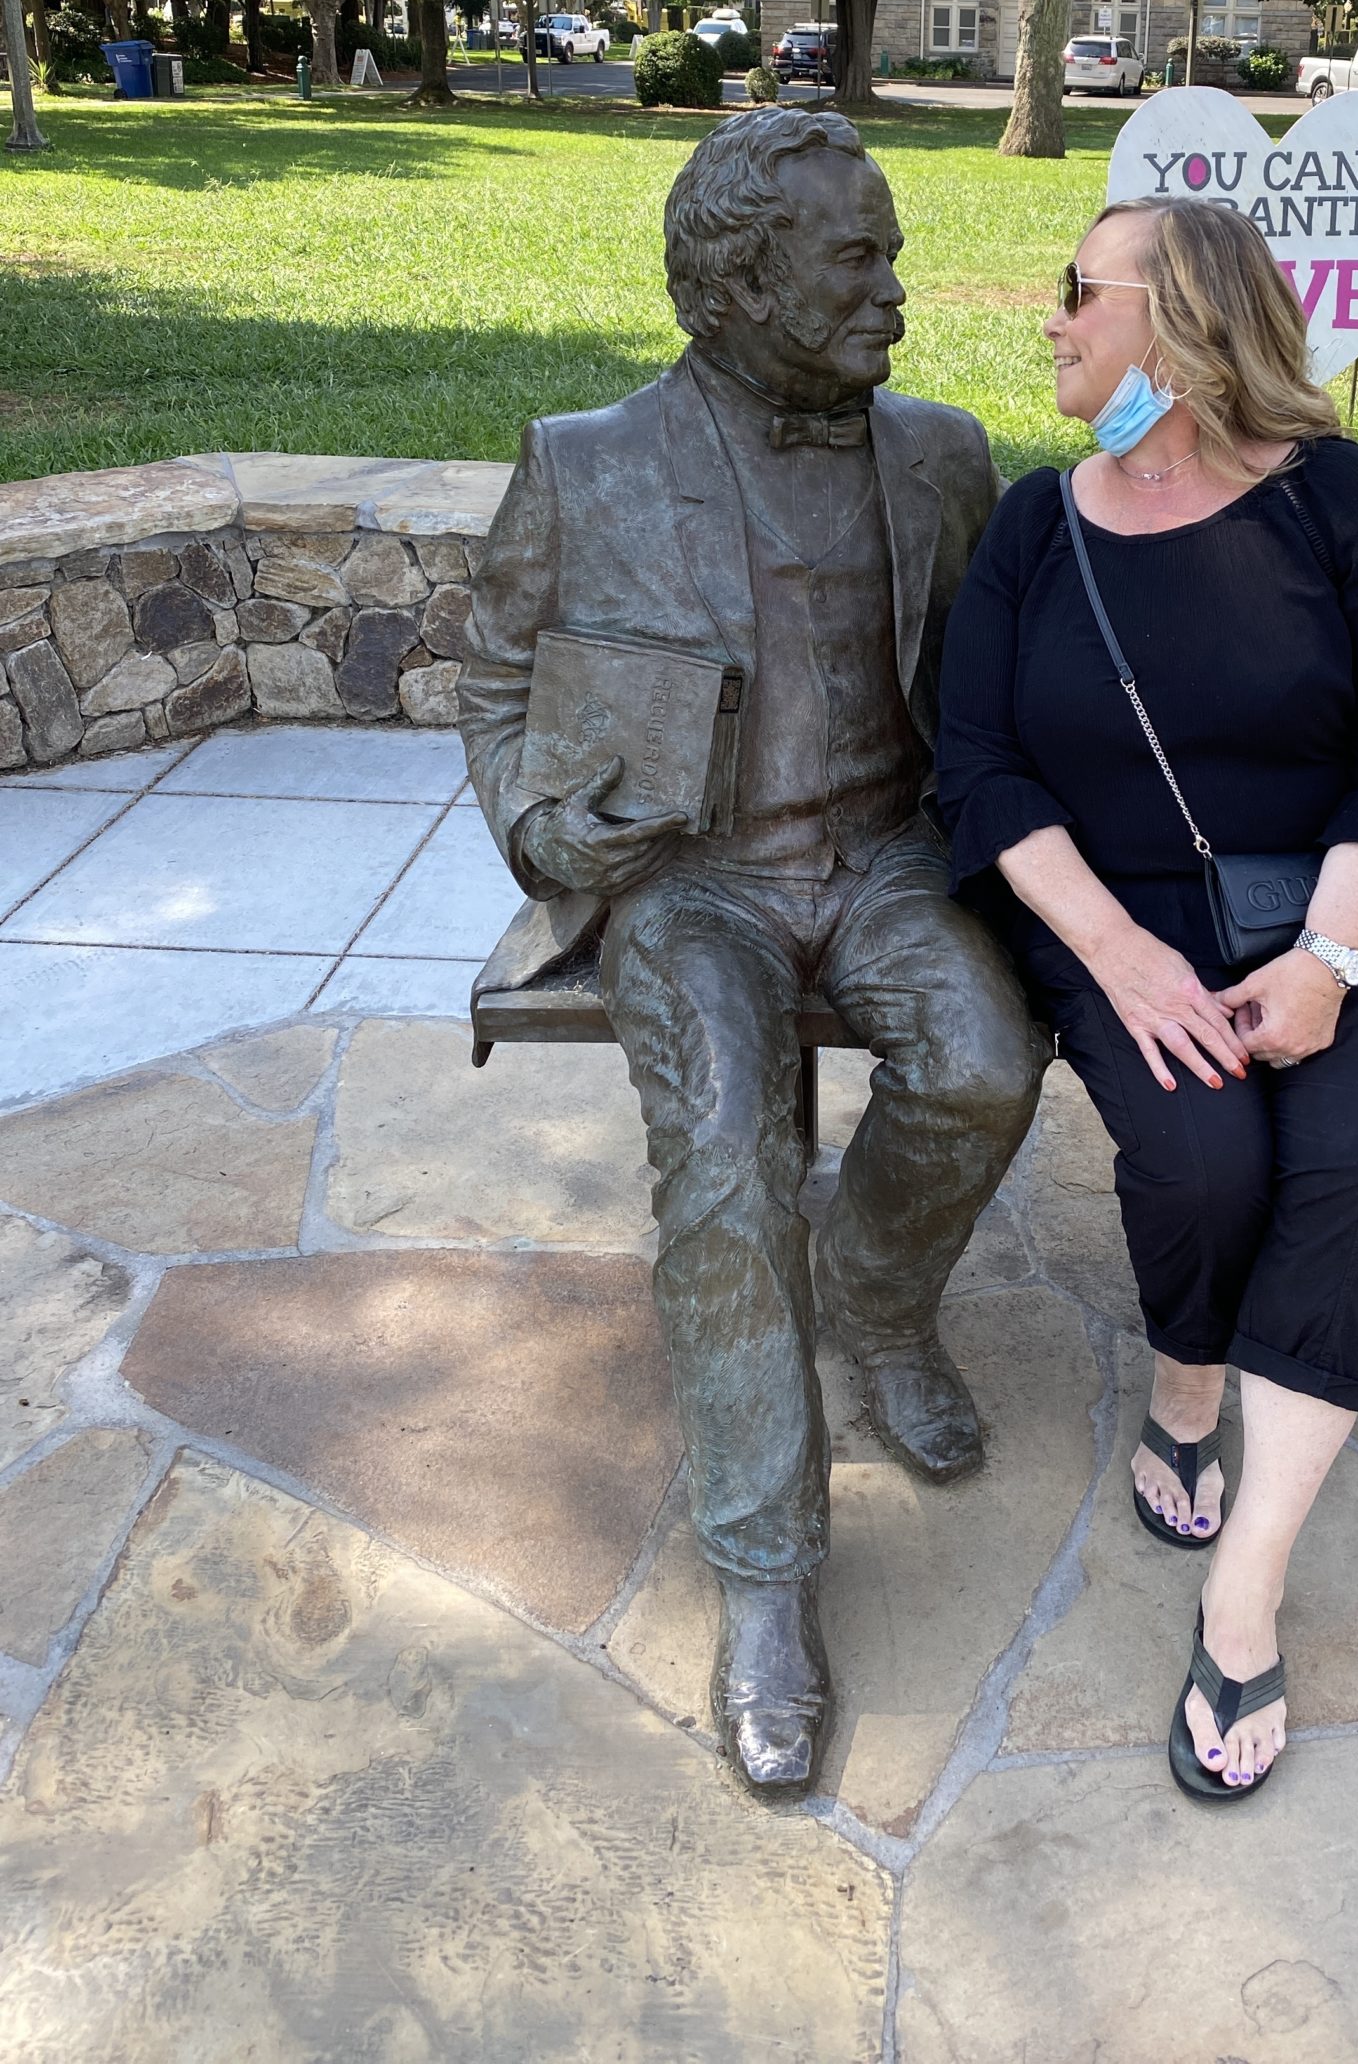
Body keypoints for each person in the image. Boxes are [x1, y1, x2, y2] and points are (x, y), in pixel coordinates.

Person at [461, 110, 1047, 1793]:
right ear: (737, 281)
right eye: (856, 261)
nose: (895, 292)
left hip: (886, 859)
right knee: (725, 1156)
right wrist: (539, 825)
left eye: (892, 253)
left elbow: (984, 688)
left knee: (986, 1064)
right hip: (691, 878)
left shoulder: (941, 455)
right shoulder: (587, 461)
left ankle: (872, 1297)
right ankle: (767, 1580)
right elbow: (493, 677)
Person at [937, 196, 1358, 1804]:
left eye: (1076, 290)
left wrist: (1329, 963)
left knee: (1347, 1177)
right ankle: (1186, 1377)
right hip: (1125, 929)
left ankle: (1247, 1591)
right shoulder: (1037, 525)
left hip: (1341, 916)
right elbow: (983, 768)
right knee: (1202, 1162)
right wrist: (1117, 954)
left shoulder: (1335, 500)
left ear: (1178, 320)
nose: (1051, 318)